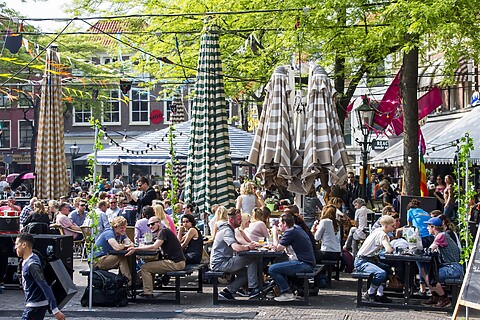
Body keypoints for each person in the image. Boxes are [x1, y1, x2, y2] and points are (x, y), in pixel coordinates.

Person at [126, 216, 186, 299]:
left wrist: (136, 248)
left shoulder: (163, 231)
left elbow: (155, 247)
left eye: (152, 224)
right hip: (178, 262)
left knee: (145, 267)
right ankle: (148, 288)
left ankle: (148, 293)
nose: (150, 226)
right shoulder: (164, 232)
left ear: (159, 223)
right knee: (149, 264)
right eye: (148, 225)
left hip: (176, 263)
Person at [209, 209, 260, 300]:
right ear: (232, 220)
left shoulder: (229, 229)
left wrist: (247, 245)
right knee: (252, 258)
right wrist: (248, 247)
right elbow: (236, 247)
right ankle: (253, 289)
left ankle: (228, 291)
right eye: (239, 219)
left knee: (246, 273)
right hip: (220, 263)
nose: (241, 221)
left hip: (222, 261)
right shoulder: (227, 231)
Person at [15, 233, 66, 320]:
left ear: (24, 245)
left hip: (34, 307)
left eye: (17, 244)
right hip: (37, 305)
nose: (15, 247)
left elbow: (43, 284)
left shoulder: (32, 264)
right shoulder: (33, 256)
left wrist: (55, 310)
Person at [269, 212, 316, 301]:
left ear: (285, 224)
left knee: (272, 269)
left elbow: (277, 248)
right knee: (278, 264)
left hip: (303, 264)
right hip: (307, 262)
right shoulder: (296, 229)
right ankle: (286, 289)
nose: (278, 225)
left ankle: (287, 293)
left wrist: (274, 233)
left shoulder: (290, 232)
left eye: (280, 223)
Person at [421, 217, 463, 308]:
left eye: (428, 226)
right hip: (450, 266)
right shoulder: (440, 235)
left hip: (453, 268)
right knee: (424, 271)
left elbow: (430, 249)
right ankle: (435, 296)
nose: (427, 228)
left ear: (433, 227)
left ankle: (444, 298)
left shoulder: (441, 236)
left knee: (432, 276)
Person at [355, 215, 395, 303]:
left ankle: (379, 293)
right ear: (385, 226)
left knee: (387, 269)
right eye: (392, 226)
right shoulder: (382, 234)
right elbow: (388, 249)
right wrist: (391, 248)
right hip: (362, 261)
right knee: (381, 273)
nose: (394, 228)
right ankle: (370, 293)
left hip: (370, 259)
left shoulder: (378, 230)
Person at [93, 216, 133, 286]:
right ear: (115, 227)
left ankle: (134, 281)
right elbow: (117, 248)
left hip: (107, 257)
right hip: (96, 260)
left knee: (129, 256)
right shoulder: (109, 233)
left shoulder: (121, 233)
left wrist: (125, 245)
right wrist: (124, 245)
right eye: (121, 228)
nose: (124, 229)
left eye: (125, 227)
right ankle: (129, 282)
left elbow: (131, 244)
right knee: (121, 258)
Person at [406, 198, 433, 295]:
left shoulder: (410, 212)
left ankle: (423, 289)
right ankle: (431, 286)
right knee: (427, 263)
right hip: (430, 237)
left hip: (420, 238)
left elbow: (409, 227)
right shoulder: (425, 212)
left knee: (420, 263)